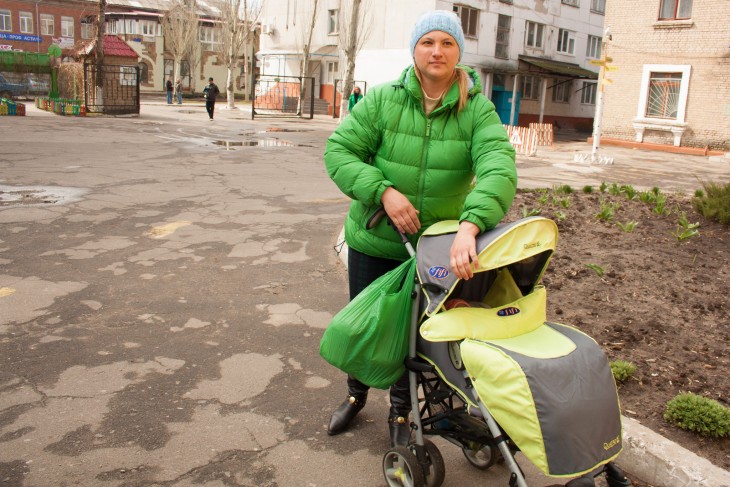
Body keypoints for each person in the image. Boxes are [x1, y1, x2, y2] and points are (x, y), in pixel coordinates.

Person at [323, 10, 517, 447]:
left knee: (415, 337)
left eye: (447, 43)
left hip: (435, 251)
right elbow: (340, 152)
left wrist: (471, 225)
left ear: (458, 53)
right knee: (367, 325)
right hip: (376, 239)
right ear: (415, 49)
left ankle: (401, 413)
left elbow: (498, 167)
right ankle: (355, 397)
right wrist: (383, 191)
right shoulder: (384, 99)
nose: (437, 51)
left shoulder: (476, 110)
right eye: (428, 42)